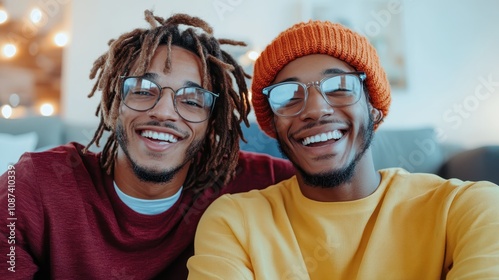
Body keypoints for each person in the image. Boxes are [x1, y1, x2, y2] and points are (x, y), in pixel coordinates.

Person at [187, 20, 499, 279]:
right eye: (288, 96)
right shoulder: (234, 221)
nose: (315, 109)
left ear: (374, 109)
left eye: (339, 88)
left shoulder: (467, 208)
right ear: (274, 125)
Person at [0, 10, 294, 279]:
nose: (164, 112)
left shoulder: (259, 184)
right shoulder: (33, 184)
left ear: (212, 121)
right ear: (116, 102)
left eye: (191, 100)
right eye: (143, 90)